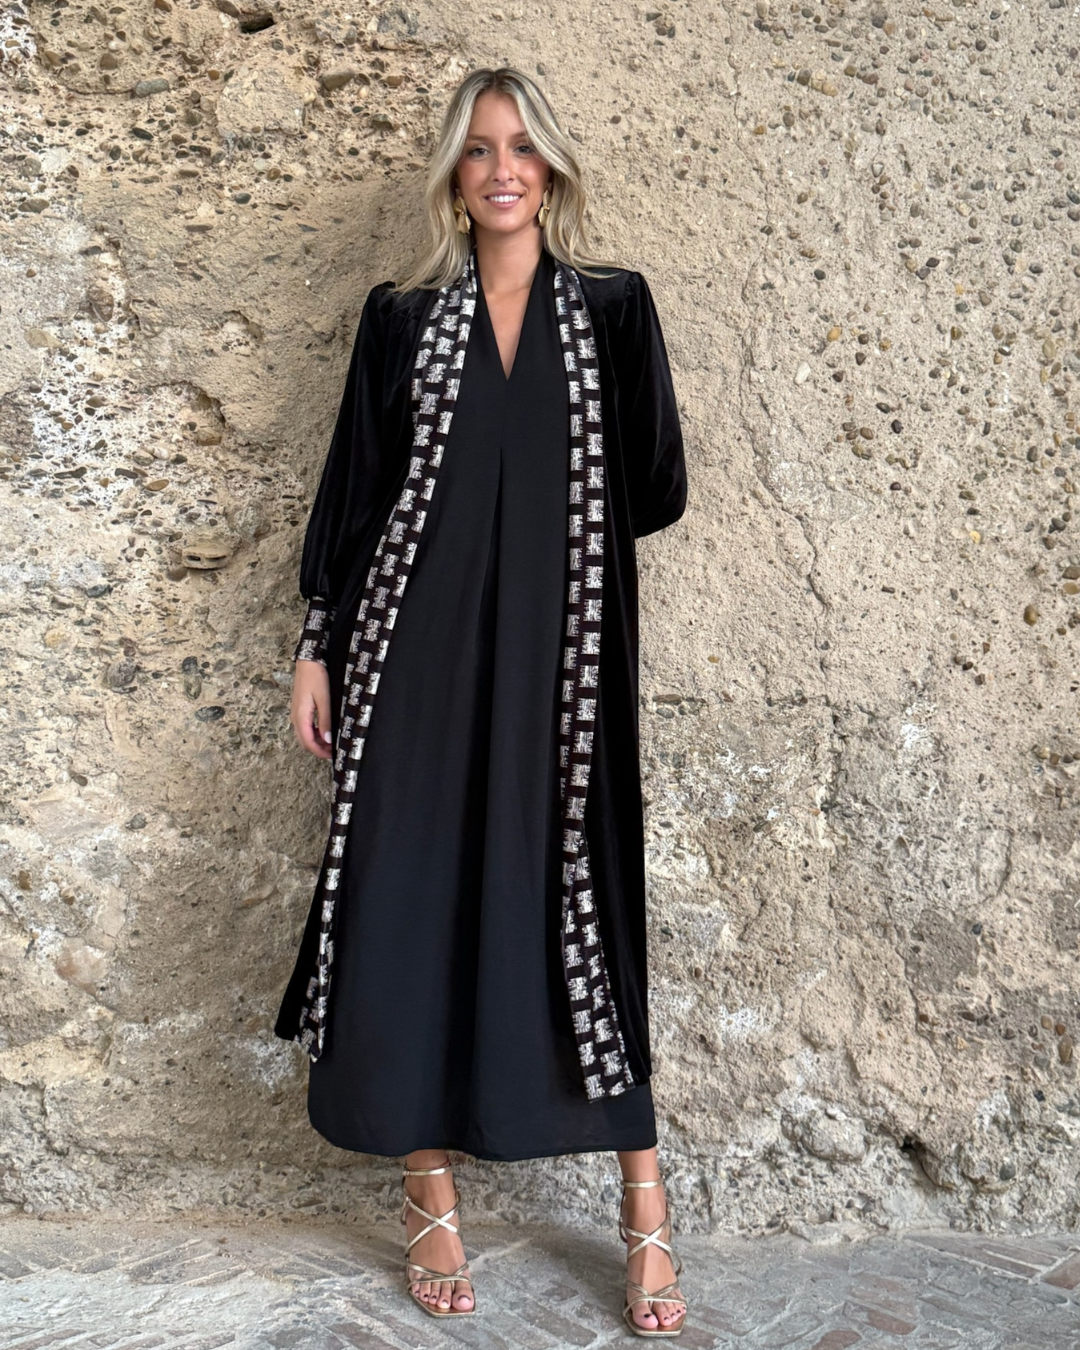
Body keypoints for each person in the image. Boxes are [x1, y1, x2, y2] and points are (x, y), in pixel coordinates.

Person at [274, 66, 689, 1337]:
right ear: (454, 177)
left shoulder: (611, 308)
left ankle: (645, 1206)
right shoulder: (401, 319)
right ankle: (430, 1194)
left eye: (521, 148)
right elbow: (356, 493)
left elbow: (657, 484)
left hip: (562, 666)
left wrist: (544, 534)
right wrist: (318, 645)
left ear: (550, 170)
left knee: (580, 895)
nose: (501, 170)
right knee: (405, 889)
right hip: (408, 651)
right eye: (477, 150)